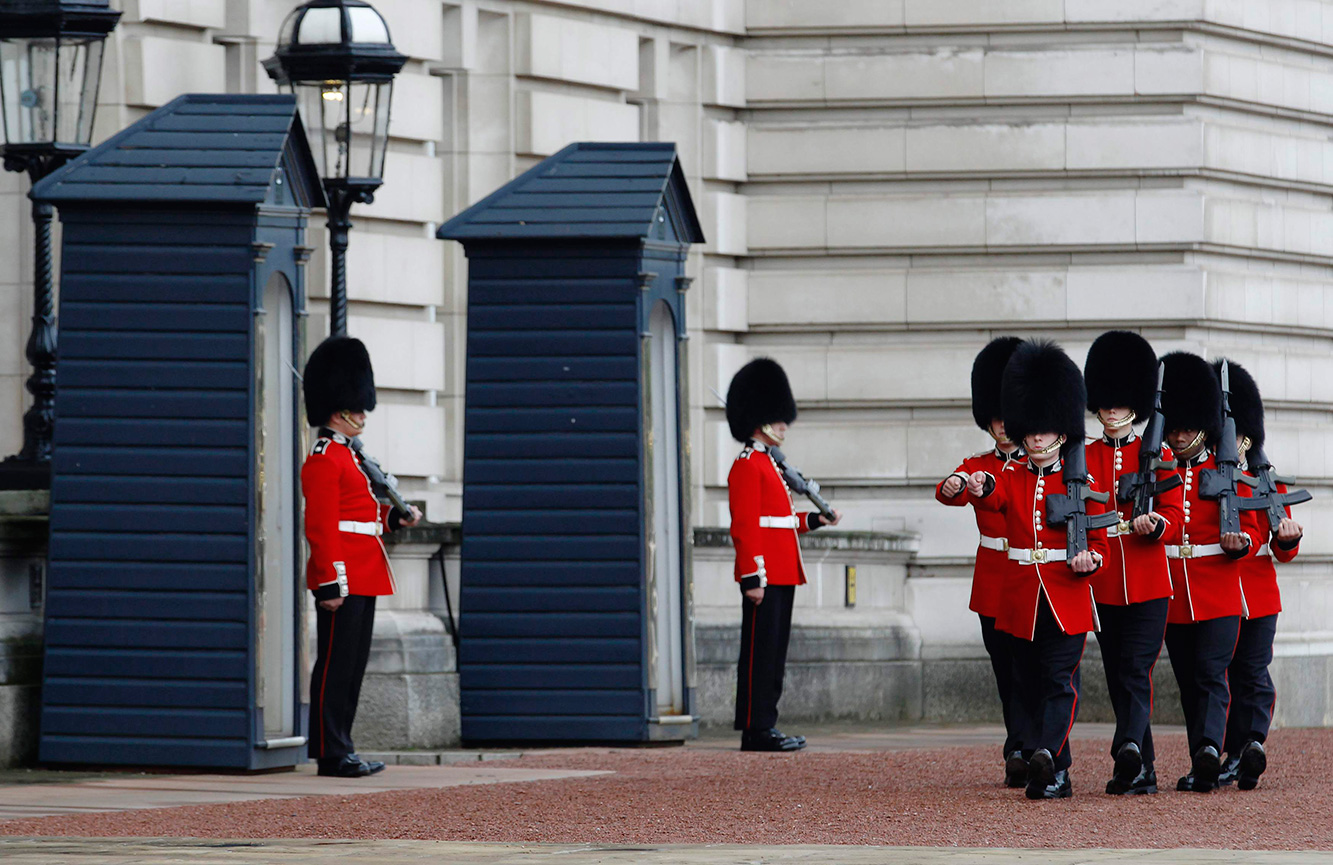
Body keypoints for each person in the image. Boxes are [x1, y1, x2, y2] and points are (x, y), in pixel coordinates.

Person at [967, 340, 1109, 799]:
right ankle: (1054, 766)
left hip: (1065, 593)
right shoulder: (1011, 474)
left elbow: (1100, 538)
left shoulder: (1083, 481)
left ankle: (1049, 754)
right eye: (1031, 431)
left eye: (1044, 431)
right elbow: (995, 496)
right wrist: (978, 485)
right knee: (1026, 683)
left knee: (1058, 681)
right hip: (1021, 599)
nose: (1035, 438)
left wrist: (1093, 560)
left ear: (1061, 432)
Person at [302, 336, 421, 778]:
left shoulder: (351, 457)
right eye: (358, 406)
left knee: (352, 667)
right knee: (334, 667)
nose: (364, 414)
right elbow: (321, 527)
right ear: (339, 409)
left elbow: (359, 516)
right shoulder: (324, 459)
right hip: (343, 575)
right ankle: (331, 753)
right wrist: (329, 583)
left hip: (365, 569)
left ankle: (343, 745)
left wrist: (394, 519)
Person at [1082, 331, 1183, 795]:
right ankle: (1142, 766)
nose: (1112, 409)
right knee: (1118, 674)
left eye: (1121, 402)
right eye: (1106, 401)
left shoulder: (1159, 454)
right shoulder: (1082, 457)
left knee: (1135, 669)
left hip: (1148, 582)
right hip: (1104, 584)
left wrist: (1155, 525)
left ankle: (1126, 746)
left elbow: (1178, 516)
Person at [726, 357, 842, 752]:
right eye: (777, 418)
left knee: (774, 653)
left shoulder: (770, 465)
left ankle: (766, 723)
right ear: (760, 420)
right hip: (765, 575)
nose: (784, 425)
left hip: (783, 570)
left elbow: (779, 521)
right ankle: (756, 729)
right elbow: (744, 527)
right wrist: (752, 577)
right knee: (760, 655)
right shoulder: (747, 466)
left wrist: (815, 519)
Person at [1157, 351, 1259, 793]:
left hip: (1218, 584)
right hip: (1174, 591)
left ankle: (1207, 753)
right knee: (1186, 679)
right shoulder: (1160, 470)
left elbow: (1251, 528)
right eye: (1174, 428)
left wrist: (1241, 544)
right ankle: (1203, 750)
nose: (1178, 437)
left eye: (1186, 428)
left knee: (1211, 672)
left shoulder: (1225, 470)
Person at [935, 336, 1028, 787]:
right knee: (1005, 669)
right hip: (994, 579)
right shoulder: (978, 462)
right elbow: (950, 487)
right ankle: (1016, 745)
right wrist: (955, 485)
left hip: (1030, 576)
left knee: (1032, 666)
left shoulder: (1037, 465)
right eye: (995, 419)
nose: (1003, 427)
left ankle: (1035, 744)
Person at [1214, 358, 1302, 790]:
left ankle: (1251, 744)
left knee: (1253, 672)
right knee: (1223, 673)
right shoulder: (1208, 481)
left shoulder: (1267, 481)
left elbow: (1283, 549)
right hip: (1219, 590)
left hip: (1259, 594)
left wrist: (1286, 537)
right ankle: (1229, 751)